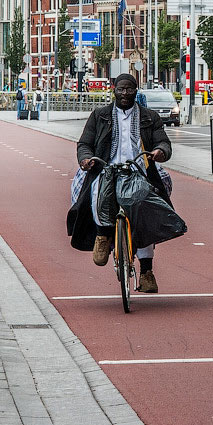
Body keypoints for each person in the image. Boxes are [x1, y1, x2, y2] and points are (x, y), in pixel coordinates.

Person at [68, 74, 172, 293]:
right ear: (114, 90)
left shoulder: (149, 117)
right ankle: (103, 234)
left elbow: (162, 140)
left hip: (138, 170)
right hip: (105, 168)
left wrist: (160, 151)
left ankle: (146, 272)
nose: (125, 94)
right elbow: (85, 143)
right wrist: (86, 159)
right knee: (97, 194)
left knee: (144, 212)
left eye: (130, 90)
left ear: (136, 91)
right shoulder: (100, 115)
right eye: (121, 90)